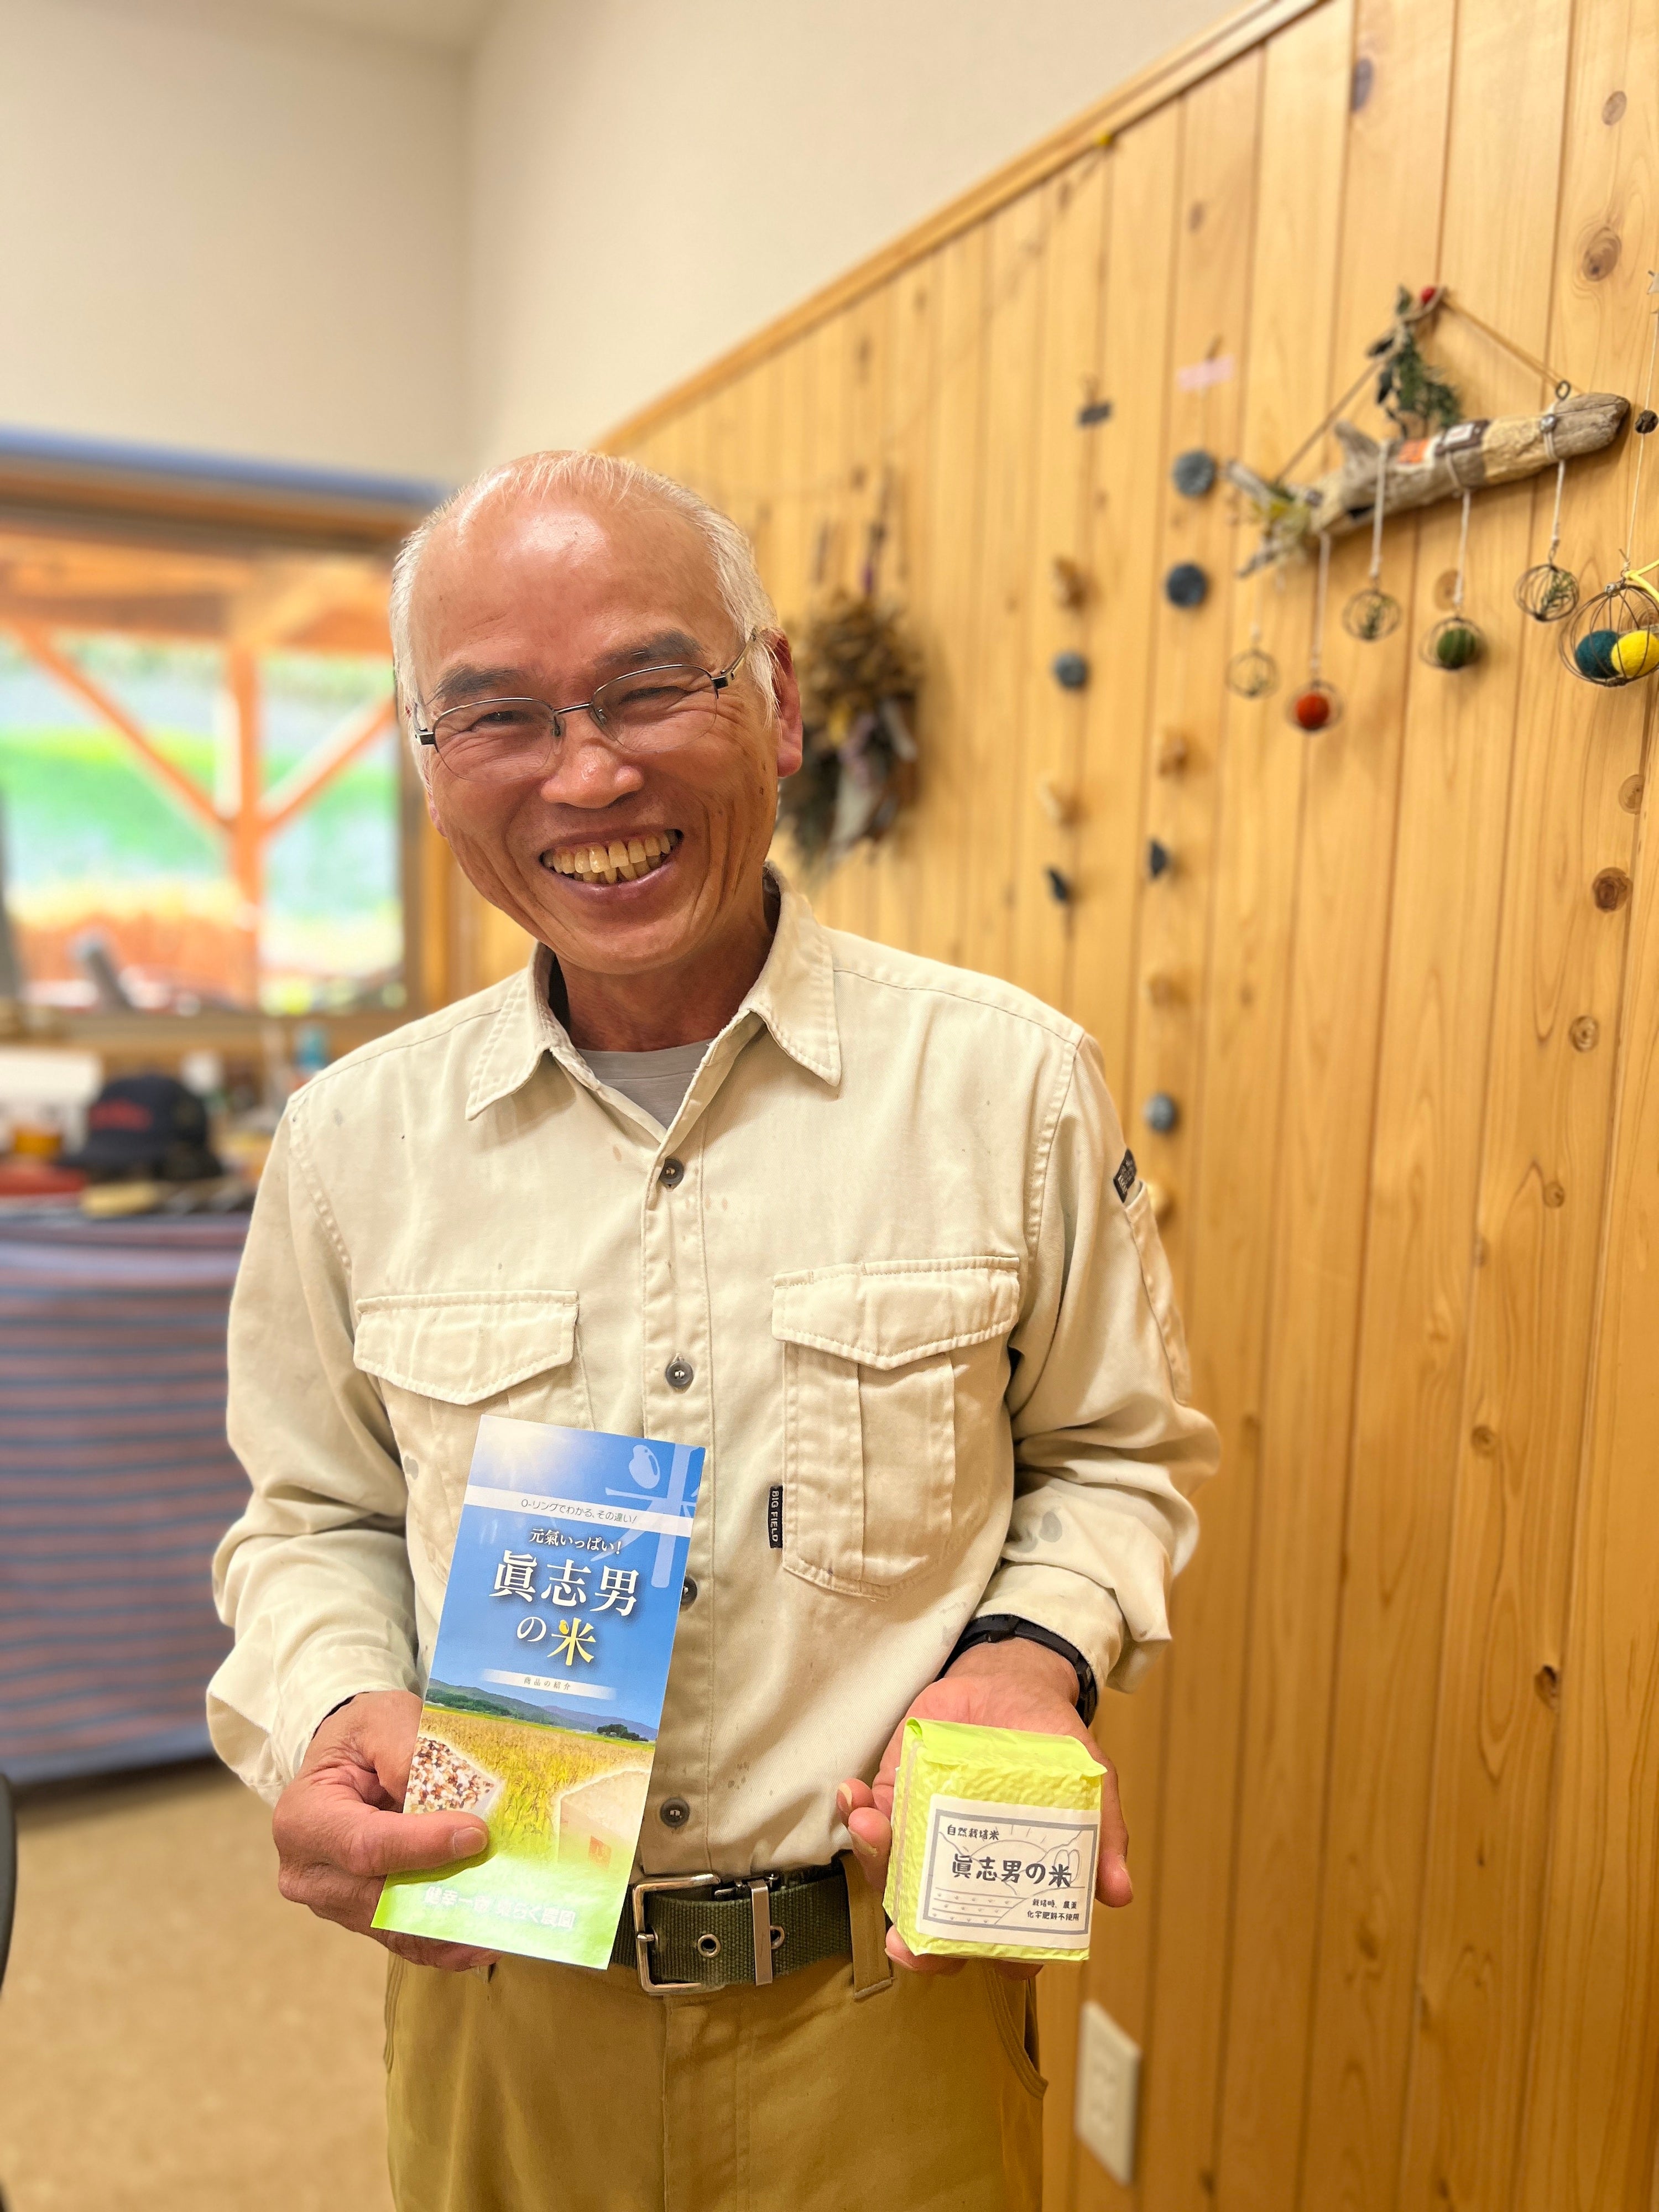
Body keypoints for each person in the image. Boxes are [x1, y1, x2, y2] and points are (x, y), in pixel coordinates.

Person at [209, 451, 1219, 2212]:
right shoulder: (354, 1144)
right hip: (505, 1987)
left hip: (886, 2002)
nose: (589, 774)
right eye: (498, 715)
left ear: (779, 700)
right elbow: (311, 1517)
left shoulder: (1006, 1088)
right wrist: (337, 1702)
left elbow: (1112, 1456)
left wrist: (1030, 1653)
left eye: (648, 686)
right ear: (432, 765)